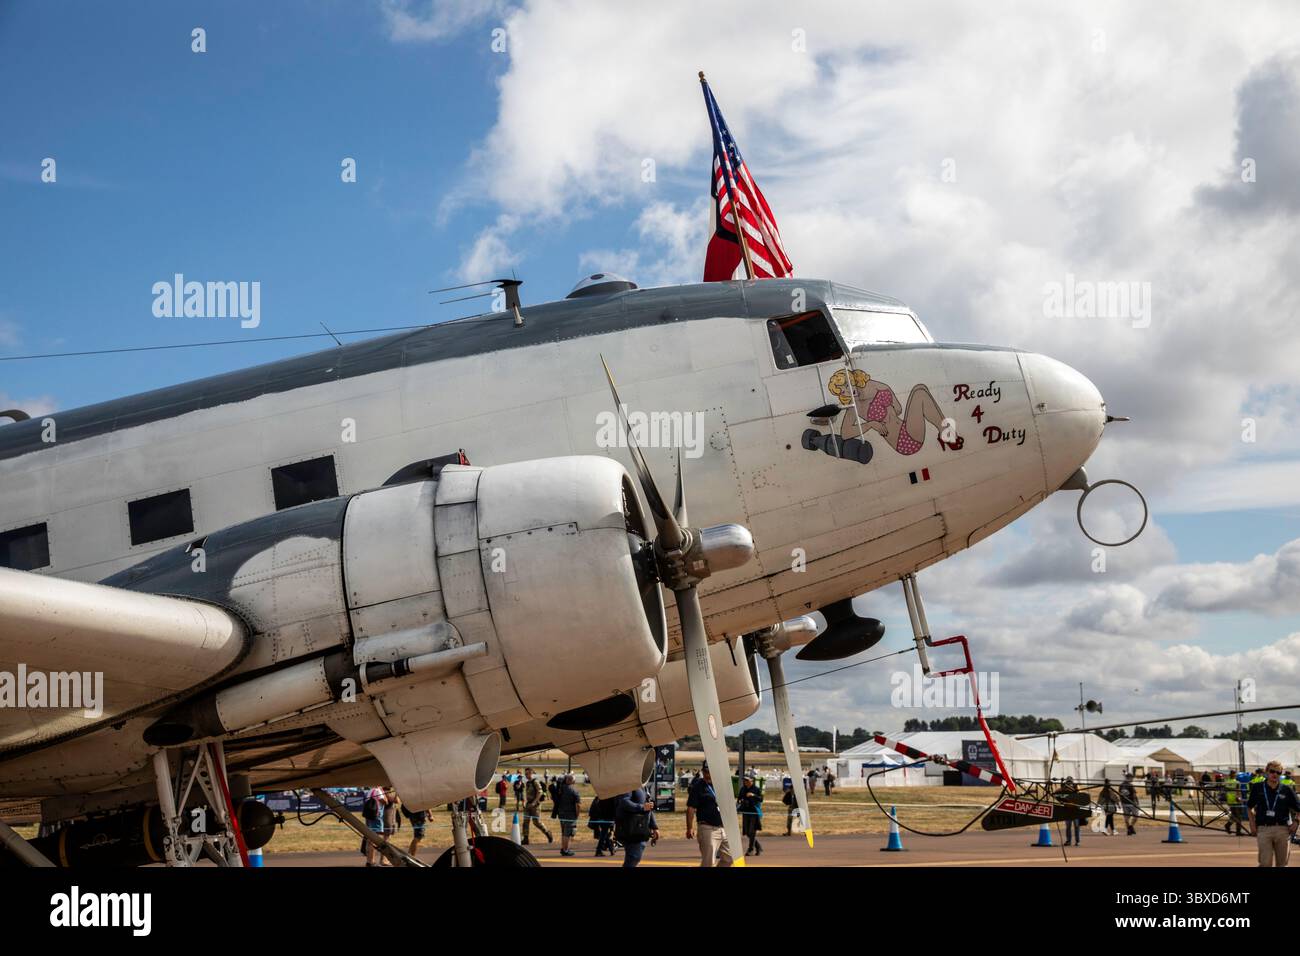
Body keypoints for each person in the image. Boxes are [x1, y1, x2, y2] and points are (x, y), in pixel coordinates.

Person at [1248, 760, 1300, 866]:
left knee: (1282, 864)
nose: (1275, 774)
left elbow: (1299, 809)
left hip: (1282, 830)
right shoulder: (1258, 787)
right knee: (1265, 863)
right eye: (1272, 771)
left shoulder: (1286, 790)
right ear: (1267, 772)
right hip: (1263, 829)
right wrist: (1252, 824)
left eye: (1278, 772)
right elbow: (1249, 807)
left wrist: (1296, 822)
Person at [685, 762, 733, 867]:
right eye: (705, 772)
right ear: (702, 771)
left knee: (730, 858)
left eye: (710, 772)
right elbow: (690, 808)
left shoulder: (720, 786)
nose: (708, 774)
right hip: (707, 828)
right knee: (709, 862)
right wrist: (690, 828)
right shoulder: (698, 787)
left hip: (723, 828)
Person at [614, 787, 658, 868]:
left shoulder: (643, 786)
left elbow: (648, 807)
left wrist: (654, 827)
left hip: (641, 828)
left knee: (634, 858)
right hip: (631, 828)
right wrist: (642, 807)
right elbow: (624, 802)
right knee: (634, 857)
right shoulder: (629, 784)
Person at [521, 767, 552, 845]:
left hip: (535, 805)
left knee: (536, 822)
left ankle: (547, 833)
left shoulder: (535, 781)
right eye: (525, 774)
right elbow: (527, 793)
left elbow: (540, 792)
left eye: (527, 773)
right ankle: (525, 838)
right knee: (525, 822)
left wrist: (534, 802)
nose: (526, 775)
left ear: (531, 773)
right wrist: (524, 802)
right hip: (528, 804)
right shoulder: (528, 783)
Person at [554, 773, 582, 857]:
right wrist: (577, 815)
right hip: (570, 815)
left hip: (561, 814)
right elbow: (578, 805)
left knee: (563, 832)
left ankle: (563, 848)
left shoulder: (560, 789)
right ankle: (565, 850)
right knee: (567, 833)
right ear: (571, 780)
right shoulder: (574, 791)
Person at [737, 770, 764, 856]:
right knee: (747, 832)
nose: (745, 782)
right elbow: (739, 799)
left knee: (752, 831)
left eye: (747, 780)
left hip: (754, 813)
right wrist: (741, 801)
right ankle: (758, 846)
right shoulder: (743, 789)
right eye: (744, 780)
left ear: (752, 781)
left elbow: (761, 799)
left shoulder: (756, 789)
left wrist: (753, 795)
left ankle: (750, 849)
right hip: (746, 811)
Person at [361, 785, 388, 867]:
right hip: (377, 816)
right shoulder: (378, 791)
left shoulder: (370, 791)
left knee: (370, 839)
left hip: (370, 816)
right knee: (375, 839)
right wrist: (384, 796)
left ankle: (369, 860)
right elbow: (385, 801)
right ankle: (371, 861)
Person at [1058, 777, 1082, 846]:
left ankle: (1077, 841)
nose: (1069, 784)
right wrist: (1062, 784)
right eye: (1068, 782)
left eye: (1070, 782)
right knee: (1068, 826)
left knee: (1076, 826)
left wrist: (1075, 788)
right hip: (1067, 810)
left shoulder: (1076, 787)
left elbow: (1080, 794)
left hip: (1075, 810)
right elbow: (1058, 792)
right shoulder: (1064, 788)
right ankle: (1068, 841)